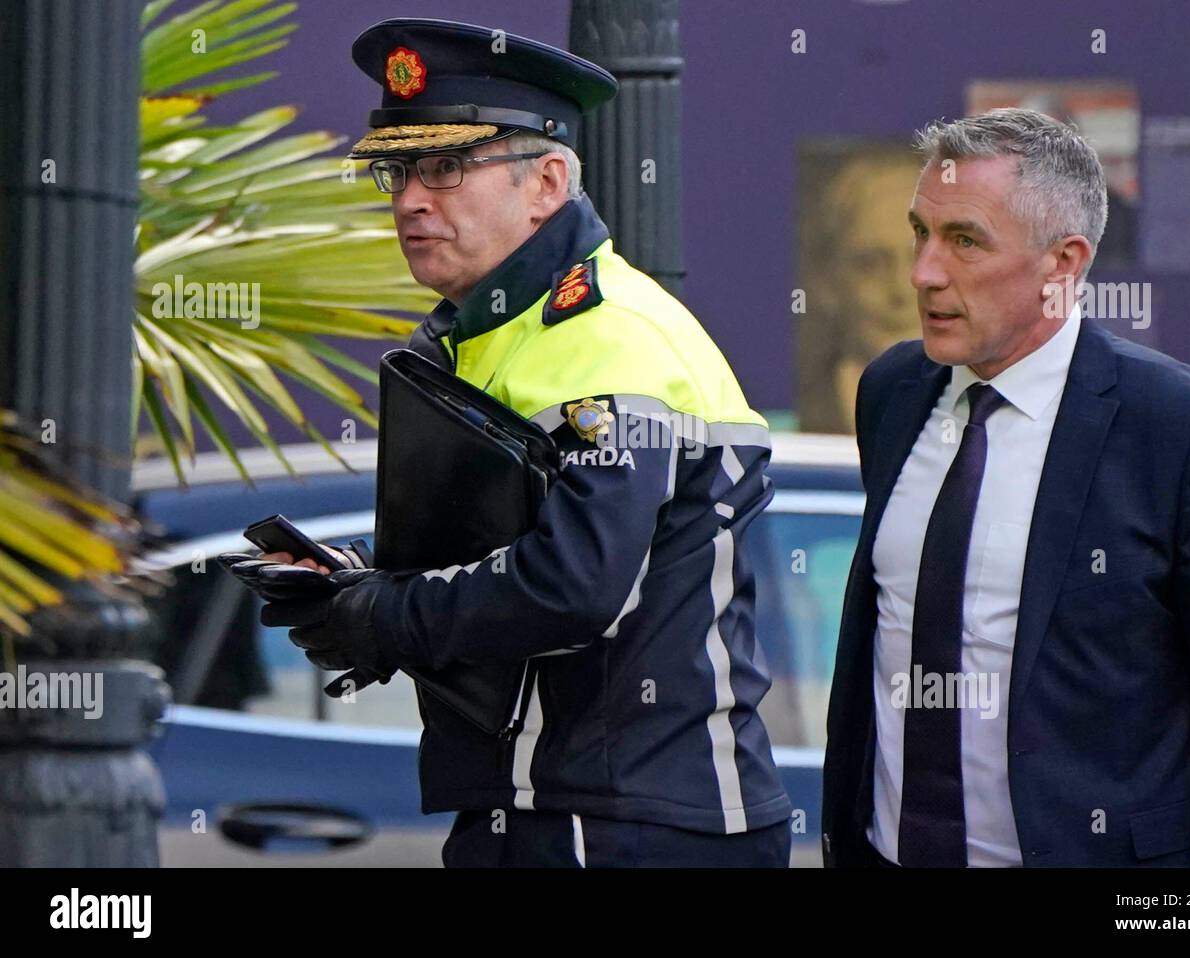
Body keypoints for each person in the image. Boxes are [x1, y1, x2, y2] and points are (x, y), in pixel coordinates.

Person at [238, 18, 791, 868]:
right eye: (398, 170)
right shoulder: (494, 331)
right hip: (544, 803)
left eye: (447, 167)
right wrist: (362, 584)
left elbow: (573, 585)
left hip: (631, 822)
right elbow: (501, 547)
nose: (410, 199)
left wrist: (386, 617)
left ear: (548, 182)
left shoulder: (613, 335)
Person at [822, 107, 1190, 868]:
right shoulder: (893, 392)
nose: (924, 272)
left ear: (1062, 263)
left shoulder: (1182, 429)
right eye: (921, 232)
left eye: (965, 241)